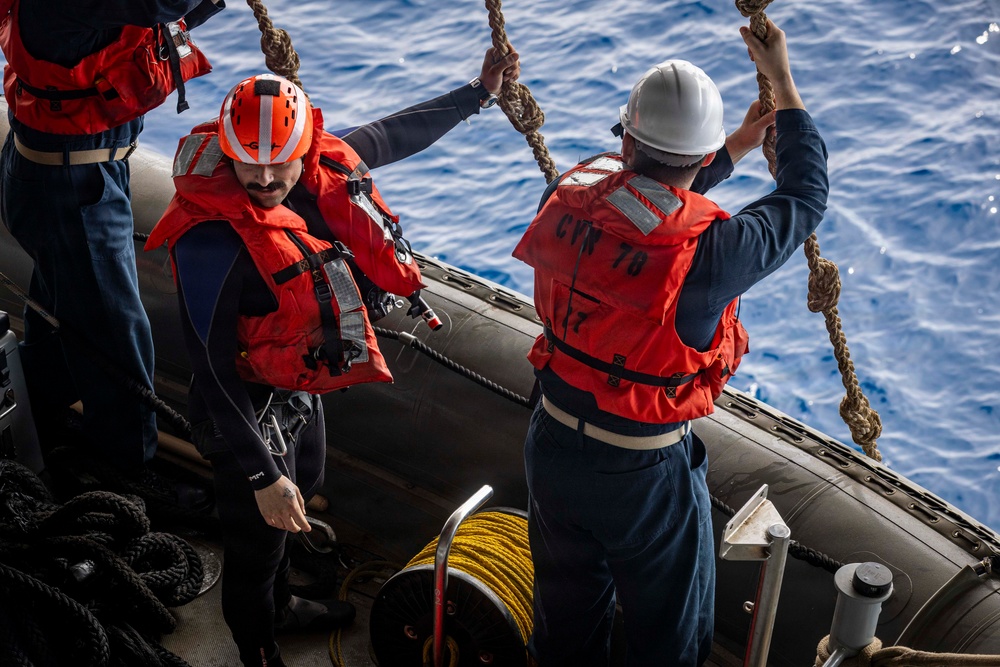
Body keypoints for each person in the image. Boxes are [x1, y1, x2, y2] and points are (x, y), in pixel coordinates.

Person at [143, 48, 521, 667]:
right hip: (241, 403)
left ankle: (285, 604)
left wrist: (476, 94)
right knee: (258, 543)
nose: (264, 182)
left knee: (312, 479)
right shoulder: (214, 243)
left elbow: (393, 134)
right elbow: (209, 370)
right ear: (230, 155)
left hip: (296, 385)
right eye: (250, 166)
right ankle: (258, 646)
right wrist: (263, 477)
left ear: (305, 148)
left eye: (280, 165)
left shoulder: (317, 174)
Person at [511, 18, 828, 667]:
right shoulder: (715, 257)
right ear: (697, 153)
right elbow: (805, 194)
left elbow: (643, 202)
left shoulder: (569, 195)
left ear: (625, 137)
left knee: (566, 625)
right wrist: (783, 83)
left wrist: (738, 143)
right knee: (670, 639)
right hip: (641, 473)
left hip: (552, 448)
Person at [0, 0, 224, 506]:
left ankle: (37, 414)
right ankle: (127, 474)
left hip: (69, 170)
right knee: (116, 333)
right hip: (74, 183)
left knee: (63, 312)